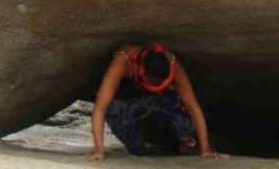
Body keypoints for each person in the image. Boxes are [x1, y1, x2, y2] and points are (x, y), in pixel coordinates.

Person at [87, 42, 228, 160]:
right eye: (152, 82)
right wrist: (99, 149)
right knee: (117, 113)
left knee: (174, 98)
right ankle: (142, 146)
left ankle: (186, 141)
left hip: (158, 100)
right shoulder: (124, 61)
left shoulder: (173, 64)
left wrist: (206, 149)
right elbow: (101, 106)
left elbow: (192, 106)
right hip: (126, 101)